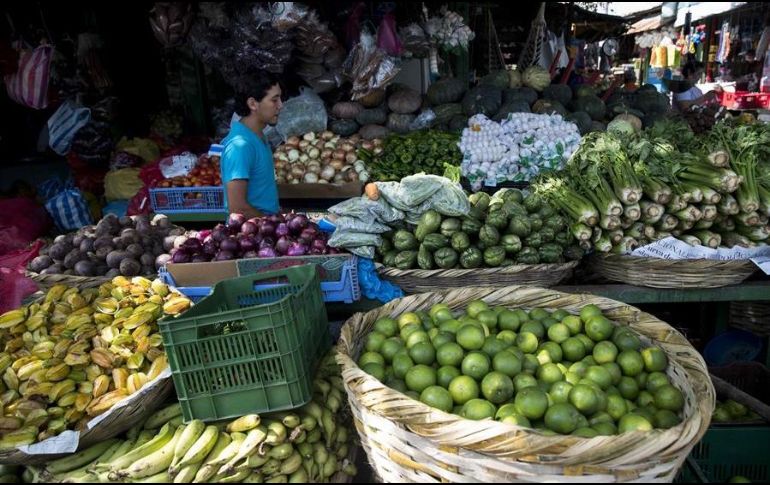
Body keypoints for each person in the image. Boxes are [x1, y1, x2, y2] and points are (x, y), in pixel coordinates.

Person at [220, 72, 283, 218]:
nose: (281, 105)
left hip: (265, 230)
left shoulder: (259, 136)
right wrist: (275, 225)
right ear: (253, 104)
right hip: (252, 235)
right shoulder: (240, 146)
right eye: (275, 100)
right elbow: (238, 208)